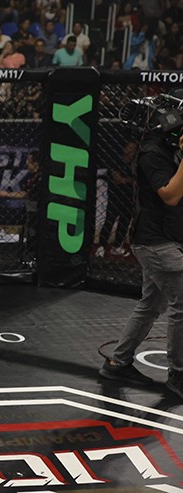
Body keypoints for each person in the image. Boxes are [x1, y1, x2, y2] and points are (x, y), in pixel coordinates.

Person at [99, 97, 183, 400]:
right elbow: (170, 195)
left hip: (166, 237)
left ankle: (118, 363)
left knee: (150, 304)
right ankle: (179, 374)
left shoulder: (169, 148)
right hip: (157, 242)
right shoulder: (152, 153)